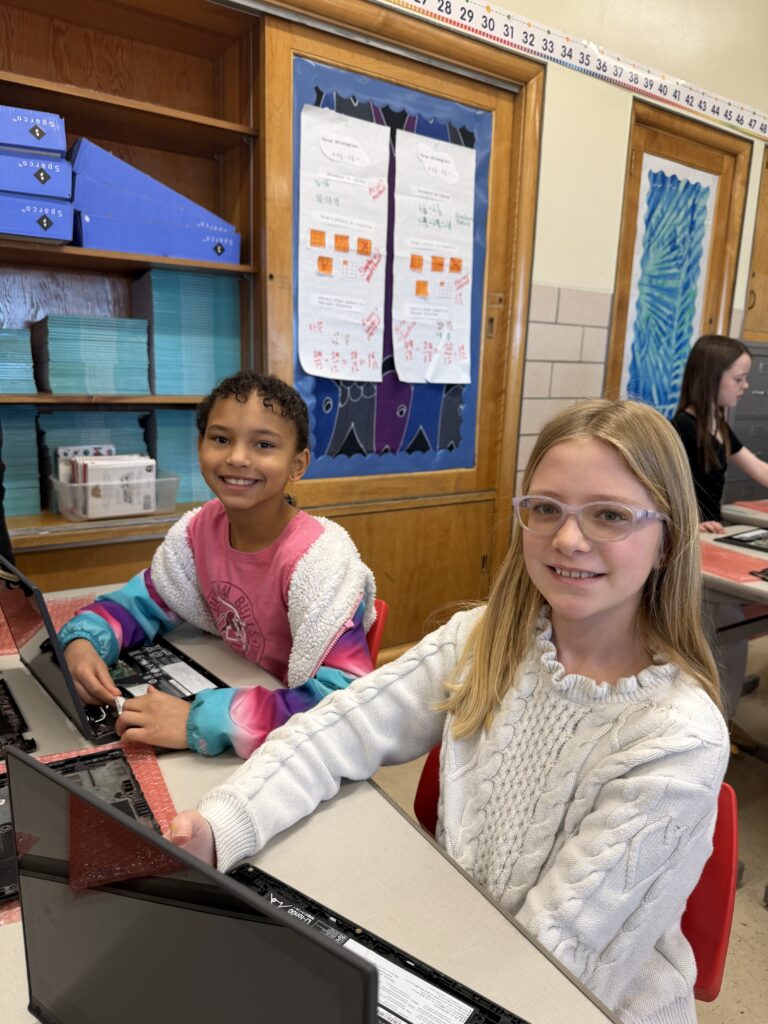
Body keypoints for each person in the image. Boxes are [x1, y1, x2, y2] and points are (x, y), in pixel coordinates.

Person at [168, 399, 728, 1024]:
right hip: (455, 942)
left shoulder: (678, 737)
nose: (569, 539)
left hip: (575, 1002)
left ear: (668, 540)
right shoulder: (483, 640)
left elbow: (554, 960)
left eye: (611, 516)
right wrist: (222, 825)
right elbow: (338, 730)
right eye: (545, 508)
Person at [58, 371, 377, 758]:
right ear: (200, 446)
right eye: (221, 439)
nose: (237, 458)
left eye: (263, 444)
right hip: (236, 686)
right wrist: (83, 642)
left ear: (298, 464)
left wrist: (198, 720)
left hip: (289, 747)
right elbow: (140, 602)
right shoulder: (200, 532)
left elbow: (344, 699)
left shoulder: (321, 560)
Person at [671, 334, 768, 741]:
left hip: (712, 545)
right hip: (690, 549)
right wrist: (691, 524)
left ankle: (721, 720)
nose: (745, 387)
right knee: (723, 641)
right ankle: (712, 728)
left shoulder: (719, 426)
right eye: (739, 378)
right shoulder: (681, 427)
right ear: (713, 379)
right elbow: (663, 492)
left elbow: (760, 470)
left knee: (731, 640)